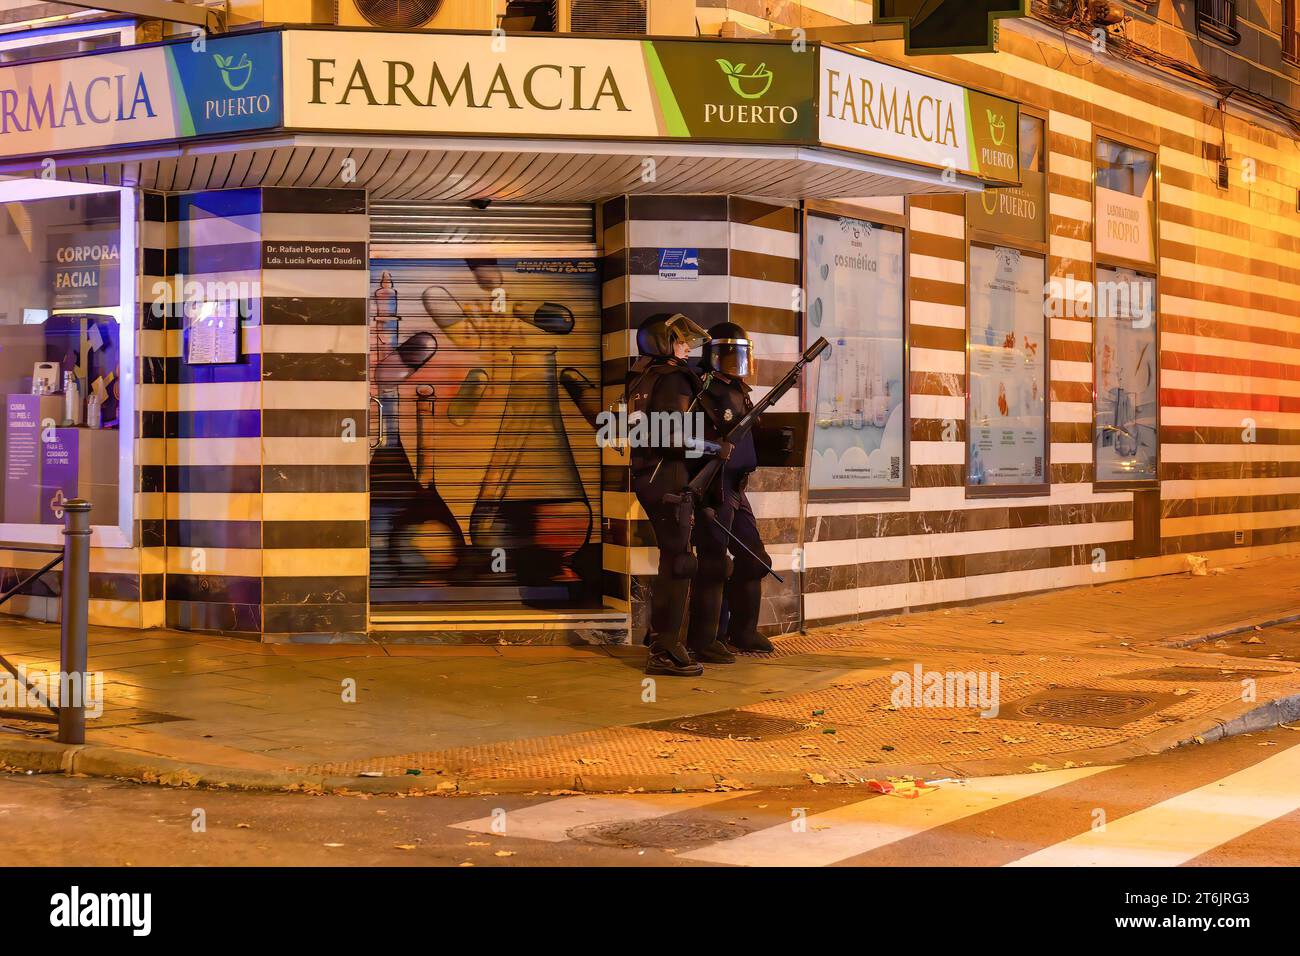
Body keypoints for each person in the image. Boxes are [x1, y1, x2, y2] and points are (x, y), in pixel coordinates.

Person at [628, 313, 712, 677]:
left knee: (673, 558)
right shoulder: (673, 378)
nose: (685, 347)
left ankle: (659, 637)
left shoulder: (641, 376)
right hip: (668, 478)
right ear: (663, 342)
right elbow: (675, 437)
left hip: (650, 476)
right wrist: (716, 447)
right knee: (679, 561)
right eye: (679, 341)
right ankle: (665, 651)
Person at [684, 321, 774, 660]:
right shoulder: (699, 390)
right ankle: (706, 640)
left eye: (740, 354)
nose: (735, 361)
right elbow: (680, 438)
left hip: (737, 487)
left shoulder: (739, 389)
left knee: (755, 559)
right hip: (713, 488)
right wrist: (712, 449)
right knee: (713, 564)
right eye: (728, 353)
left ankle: (743, 631)